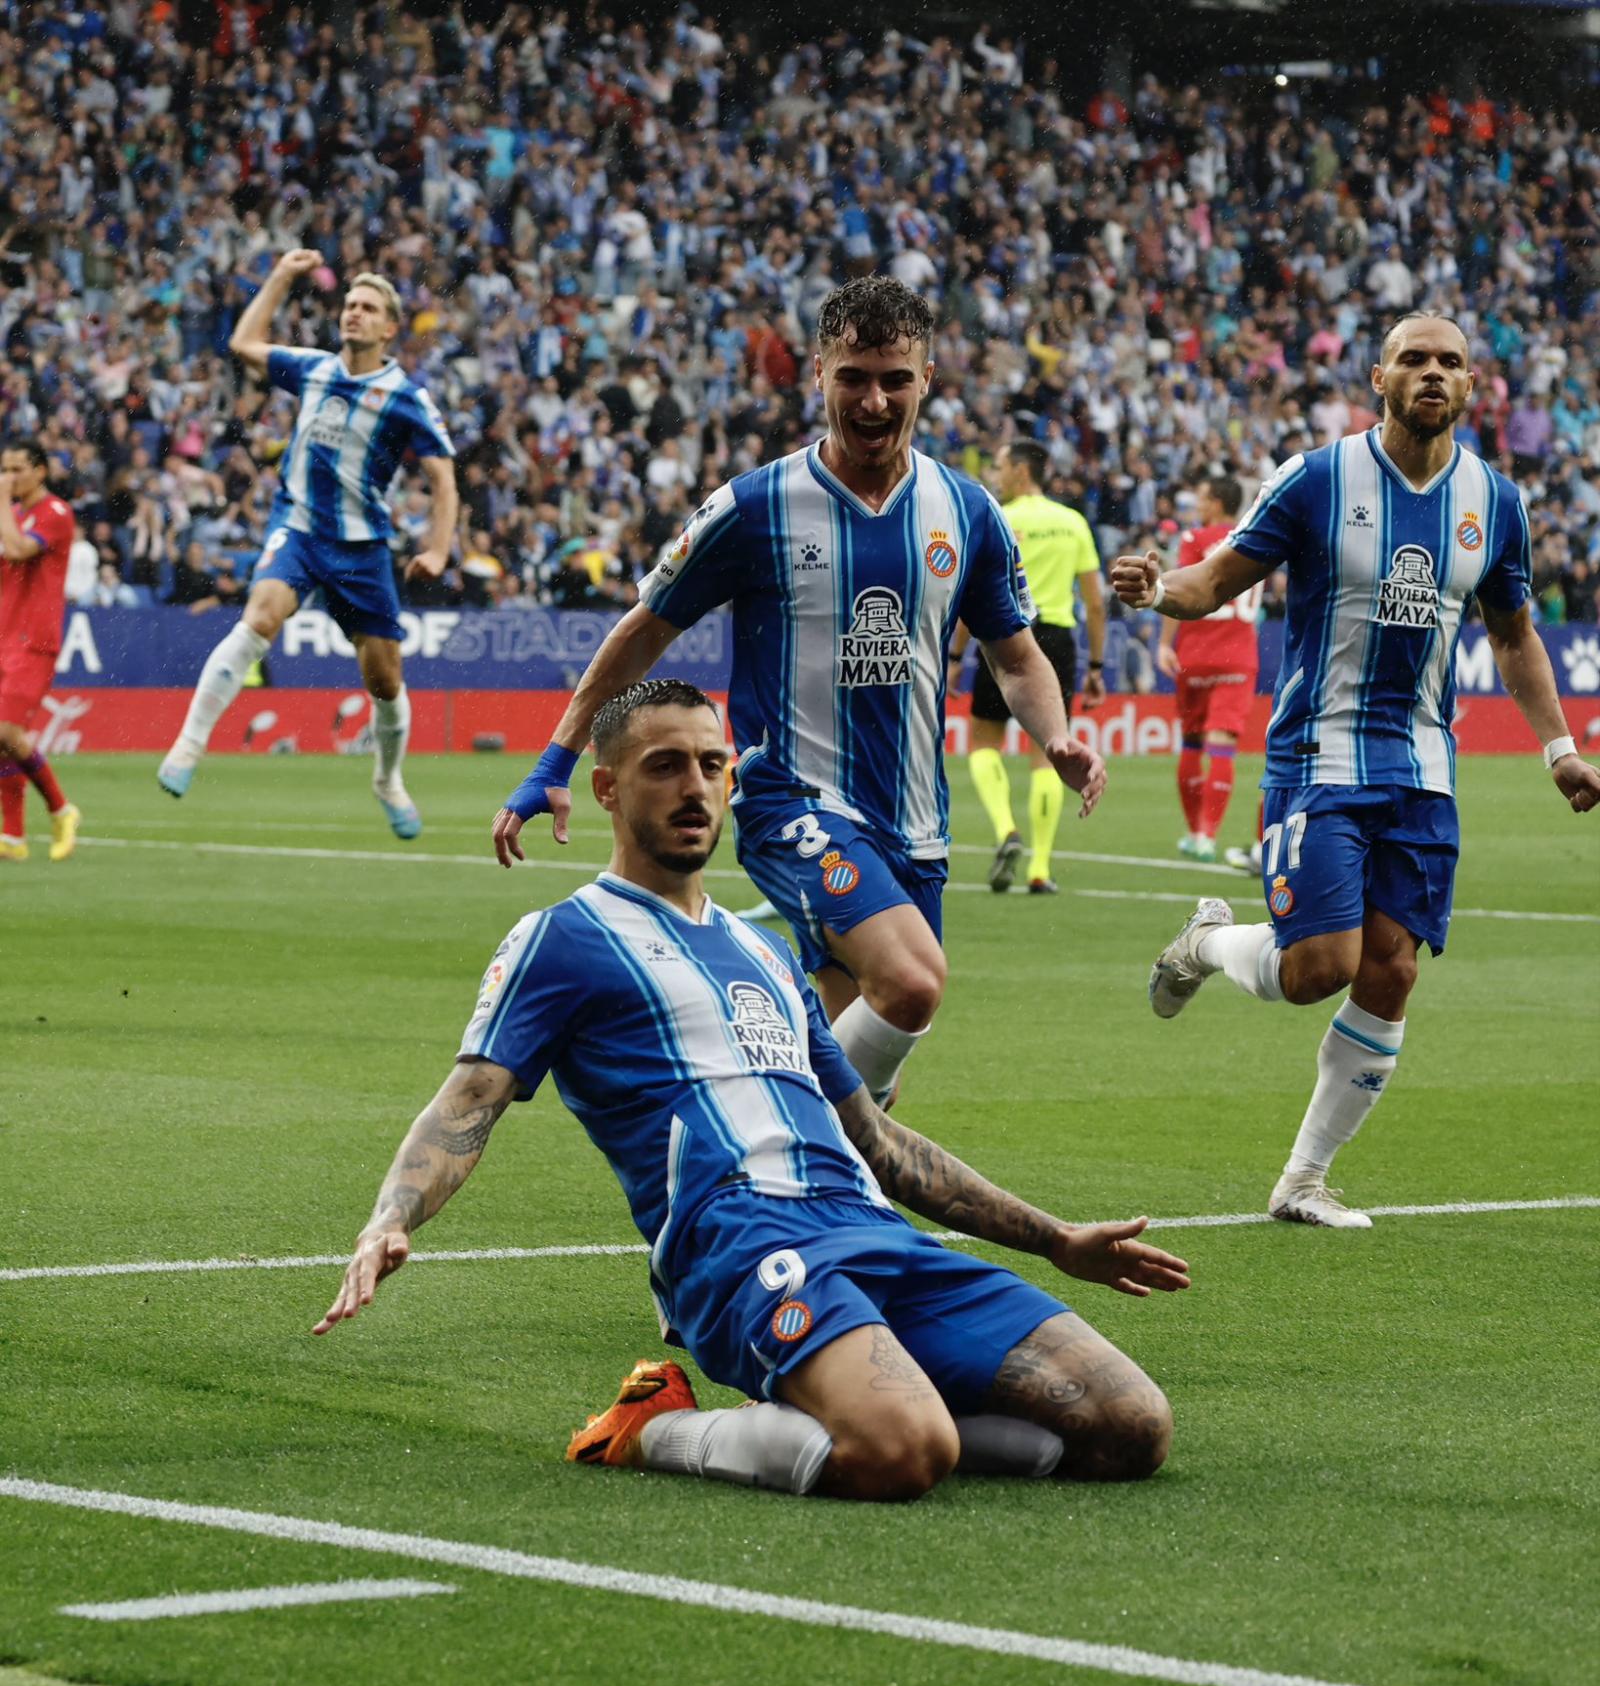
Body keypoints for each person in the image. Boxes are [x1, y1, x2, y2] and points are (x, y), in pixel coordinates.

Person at [321, 680, 1182, 1502]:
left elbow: (879, 1147)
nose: (694, 787)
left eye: (711, 765)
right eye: (665, 766)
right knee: (906, 1453)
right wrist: (389, 1219)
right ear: (608, 789)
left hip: (869, 1231)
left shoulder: (766, 954)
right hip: (739, 1247)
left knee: (1129, 1427)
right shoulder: (564, 938)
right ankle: (650, 1427)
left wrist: (1058, 1240)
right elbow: (470, 1100)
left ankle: (862, 1408)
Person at [491, 277, 1106, 1110]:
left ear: (927, 379)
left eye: (895, 377)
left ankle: (800, 1182)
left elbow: (1019, 657)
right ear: (818, 373)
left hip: (916, 826)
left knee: (862, 1062)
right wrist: (554, 760)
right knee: (915, 983)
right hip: (792, 801)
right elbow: (641, 630)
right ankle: (765, 1132)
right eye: (854, 376)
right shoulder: (753, 507)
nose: (875, 398)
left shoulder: (966, 511)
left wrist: (1055, 735)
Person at [1112, 314, 1600, 1227]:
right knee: (1317, 969)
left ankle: (1303, 1180)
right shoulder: (1317, 478)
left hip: (1423, 769)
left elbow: (1513, 633)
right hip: (1317, 755)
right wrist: (1158, 589)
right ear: (1378, 377)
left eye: (1450, 362)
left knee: (1390, 973)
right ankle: (1207, 943)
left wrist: (1560, 748)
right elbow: (1216, 580)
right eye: (1414, 359)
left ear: (1471, 386)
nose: (1432, 373)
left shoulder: (1495, 502)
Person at [156, 252, 458, 838]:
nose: (354, 314)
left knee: (385, 680)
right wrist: (280, 277)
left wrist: (440, 548)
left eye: (368, 308)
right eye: (349, 305)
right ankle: (189, 745)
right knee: (260, 615)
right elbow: (244, 342)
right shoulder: (313, 368)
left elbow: (446, 478)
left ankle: (387, 779)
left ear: (390, 328)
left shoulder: (404, 397)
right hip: (296, 528)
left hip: (362, 548)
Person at [957, 439, 1107, 894]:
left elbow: (973, 593)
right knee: (1050, 752)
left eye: (1000, 465)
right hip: (1058, 638)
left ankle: (1005, 829)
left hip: (1006, 633)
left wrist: (953, 656)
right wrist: (1096, 664)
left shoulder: (999, 517)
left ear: (1022, 471)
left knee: (984, 738)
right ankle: (1040, 867)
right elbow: (1096, 603)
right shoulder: (1073, 523)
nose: (996, 475)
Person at [1158, 474, 1263, 863]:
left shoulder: (1194, 540)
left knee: (1191, 743)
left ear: (1217, 502)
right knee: (1222, 746)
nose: (1197, 505)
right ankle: (1209, 836)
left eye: (1201, 497)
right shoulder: (1255, 536)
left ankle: (1195, 832)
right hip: (1238, 655)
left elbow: (1176, 590)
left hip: (1196, 652)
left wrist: (1164, 645)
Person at [0, 439, 80, 863]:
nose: (8, 477)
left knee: (7, 733)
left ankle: (61, 809)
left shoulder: (55, 513)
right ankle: (12, 838)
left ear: (40, 473)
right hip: (3, 636)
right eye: (4, 469)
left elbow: (17, 549)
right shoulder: (10, 515)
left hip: (33, 642)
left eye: (16, 470)